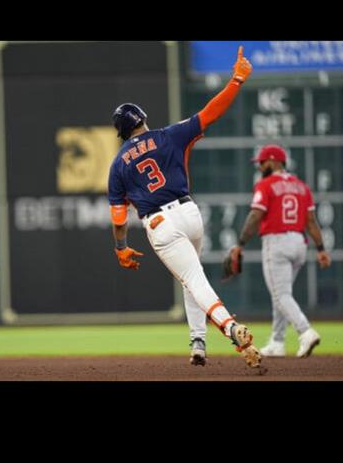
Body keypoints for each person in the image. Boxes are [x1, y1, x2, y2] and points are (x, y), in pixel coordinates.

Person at [107, 46, 260, 368]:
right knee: (192, 276)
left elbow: (119, 216)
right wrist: (236, 81)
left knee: (193, 279)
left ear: (121, 132)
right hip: (190, 214)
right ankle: (198, 342)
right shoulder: (170, 135)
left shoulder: (118, 163)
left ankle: (231, 328)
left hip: (161, 223)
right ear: (143, 119)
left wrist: (121, 248)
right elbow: (211, 112)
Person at [225, 144, 331, 358]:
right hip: (299, 244)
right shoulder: (302, 186)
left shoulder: (266, 185)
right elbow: (311, 221)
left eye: (262, 162)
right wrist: (320, 248)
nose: (260, 166)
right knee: (281, 295)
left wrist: (240, 243)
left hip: (277, 243)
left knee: (280, 294)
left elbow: (255, 216)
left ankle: (305, 331)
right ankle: (277, 341)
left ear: (273, 161)